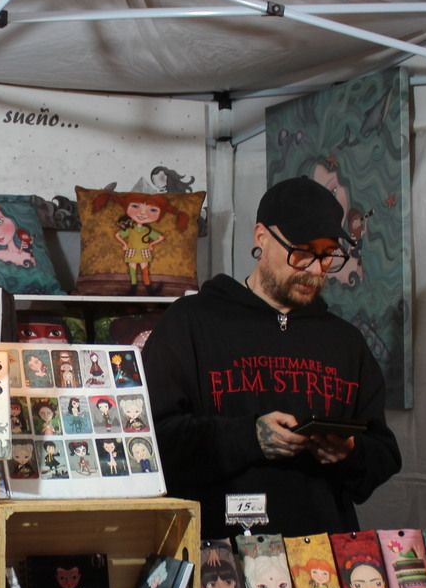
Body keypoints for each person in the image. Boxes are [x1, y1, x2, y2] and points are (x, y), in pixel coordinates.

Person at [145, 176, 401, 538]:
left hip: (321, 569)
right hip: (218, 563)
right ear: (261, 238)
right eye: (303, 252)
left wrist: (350, 452)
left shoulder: (345, 342)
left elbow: (385, 454)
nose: (315, 269)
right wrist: (249, 437)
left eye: (328, 255)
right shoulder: (189, 323)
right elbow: (152, 444)